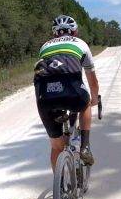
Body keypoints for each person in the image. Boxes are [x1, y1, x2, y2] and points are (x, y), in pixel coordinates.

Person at [34, 15, 99, 171]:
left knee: (57, 147)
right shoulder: (80, 44)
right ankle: (85, 146)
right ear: (74, 32)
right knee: (85, 104)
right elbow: (93, 82)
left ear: (54, 34)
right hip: (72, 92)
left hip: (44, 97)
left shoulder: (44, 47)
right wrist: (95, 98)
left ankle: (61, 186)